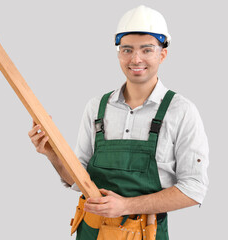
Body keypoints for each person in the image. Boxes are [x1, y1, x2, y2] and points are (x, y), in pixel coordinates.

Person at [28, 5, 209, 240]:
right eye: (127, 50)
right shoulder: (96, 107)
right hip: (91, 231)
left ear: (162, 54)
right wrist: (52, 154)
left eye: (147, 50)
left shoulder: (181, 111)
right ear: (118, 53)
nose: (136, 59)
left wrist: (126, 206)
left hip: (146, 234)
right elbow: (79, 179)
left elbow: (194, 189)